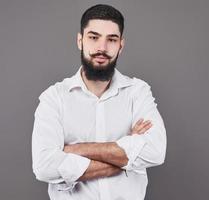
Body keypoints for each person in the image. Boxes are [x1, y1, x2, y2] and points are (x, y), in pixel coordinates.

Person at [32, 4, 167, 200]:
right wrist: (125, 153)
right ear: (80, 40)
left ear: (121, 45)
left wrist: (75, 150)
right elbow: (44, 167)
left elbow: (156, 151)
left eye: (111, 39)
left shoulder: (137, 92)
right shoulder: (54, 98)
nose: (102, 48)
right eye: (94, 37)